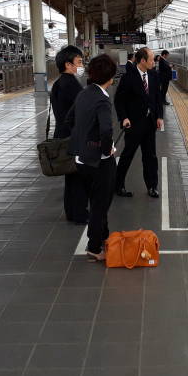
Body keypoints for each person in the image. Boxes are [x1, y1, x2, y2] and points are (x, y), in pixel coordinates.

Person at [67, 54, 118, 262]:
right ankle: (94, 247)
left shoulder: (84, 93)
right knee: (100, 205)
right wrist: (107, 150)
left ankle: (103, 238)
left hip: (81, 160)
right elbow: (106, 130)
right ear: (111, 77)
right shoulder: (103, 99)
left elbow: (70, 119)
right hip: (99, 162)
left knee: (95, 201)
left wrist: (83, 142)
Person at [114, 47, 163, 198]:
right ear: (142, 61)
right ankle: (118, 185)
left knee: (150, 156)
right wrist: (124, 118)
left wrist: (159, 116)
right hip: (134, 124)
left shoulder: (154, 75)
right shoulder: (128, 77)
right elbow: (119, 100)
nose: (154, 63)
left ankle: (152, 186)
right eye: (151, 60)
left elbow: (157, 97)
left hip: (150, 123)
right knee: (127, 155)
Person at [51, 46, 88, 224]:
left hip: (63, 134)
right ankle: (79, 214)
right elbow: (80, 112)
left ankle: (72, 212)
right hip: (73, 137)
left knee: (71, 177)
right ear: (68, 64)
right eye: (79, 62)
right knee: (79, 177)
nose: (81, 66)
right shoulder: (71, 84)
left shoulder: (58, 83)